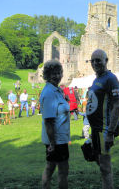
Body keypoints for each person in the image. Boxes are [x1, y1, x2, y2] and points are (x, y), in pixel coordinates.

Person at [86, 49, 119, 189]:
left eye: (98, 60)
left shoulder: (110, 79)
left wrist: (110, 133)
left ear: (106, 61)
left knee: (105, 167)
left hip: (104, 130)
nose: (95, 63)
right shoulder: (97, 79)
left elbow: (117, 107)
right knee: (99, 162)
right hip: (96, 130)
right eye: (92, 60)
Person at [40, 60, 70, 189]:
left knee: (50, 167)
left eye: (59, 73)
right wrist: (52, 143)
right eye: (53, 73)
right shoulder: (49, 93)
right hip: (56, 140)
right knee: (62, 171)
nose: (57, 76)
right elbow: (48, 121)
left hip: (60, 139)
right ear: (47, 75)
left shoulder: (57, 90)